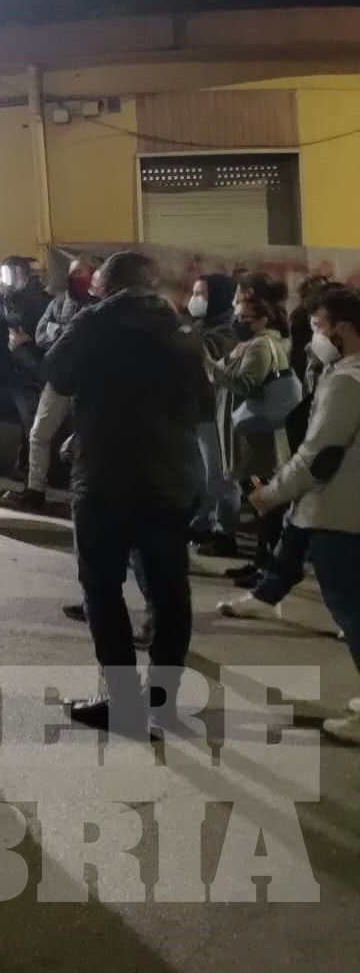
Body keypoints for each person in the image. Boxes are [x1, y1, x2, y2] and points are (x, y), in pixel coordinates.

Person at [42, 251, 210, 734]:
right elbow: (200, 400)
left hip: (108, 477)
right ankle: (163, 701)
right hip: (171, 474)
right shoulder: (180, 328)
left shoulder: (95, 322)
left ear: (106, 286)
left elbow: (56, 371)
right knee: (169, 589)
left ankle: (120, 700)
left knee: (101, 585)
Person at [248, 286, 360, 744]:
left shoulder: (345, 381)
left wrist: (271, 495)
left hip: (339, 513)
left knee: (353, 613)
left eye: (319, 326)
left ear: (344, 328)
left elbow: (319, 455)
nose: (315, 336)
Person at [207, 289, 296, 604]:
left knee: (267, 505)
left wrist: (210, 364)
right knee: (260, 504)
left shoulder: (262, 346)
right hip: (250, 434)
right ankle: (261, 563)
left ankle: (269, 568)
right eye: (238, 316)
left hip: (260, 438)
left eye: (245, 318)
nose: (238, 321)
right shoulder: (252, 343)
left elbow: (243, 384)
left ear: (262, 319)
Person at [0, 254, 101, 512]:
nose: (74, 277)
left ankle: (88, 494)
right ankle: (35, 490)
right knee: (38, 434)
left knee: (88, 441)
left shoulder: (101, 306)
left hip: (90, 384)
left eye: (81, 272)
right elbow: (42, 334)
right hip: (58, 380)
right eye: (73, 272)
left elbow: (86, 339)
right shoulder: (58, 303)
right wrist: (61, 332)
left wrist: (61, 331)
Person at [0, 256, 51, 480]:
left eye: (13, 273)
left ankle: (32, 473)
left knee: (32, 428)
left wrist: (30, 341)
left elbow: (52, 336)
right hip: (1, 376)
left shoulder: (43, 302)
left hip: (29, 379)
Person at [186, 273, 243, 548]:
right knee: (201, 476)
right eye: (195, 293)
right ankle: (203, 523)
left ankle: (225, 531)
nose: (196, 300)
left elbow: (207, 364)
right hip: (196, 410)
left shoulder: (228, 330)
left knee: (220, 476)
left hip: (215, 411)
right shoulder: (200, 326)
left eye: (203, 294)